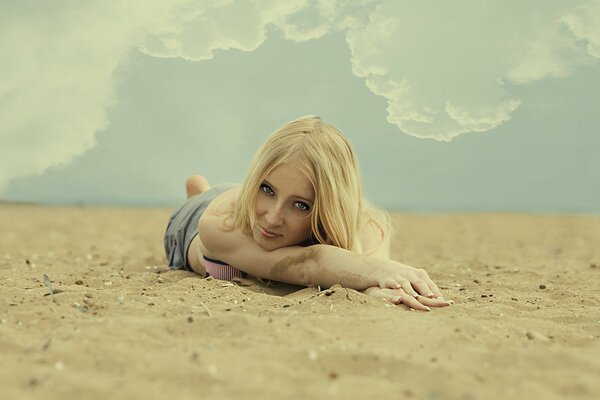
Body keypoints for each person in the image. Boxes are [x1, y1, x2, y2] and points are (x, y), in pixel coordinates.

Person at [164, 115, 452, 311]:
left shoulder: (368, 224)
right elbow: (312, 264)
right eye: (267, 188)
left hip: (241, 199)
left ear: (329, 206)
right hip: (199, 220)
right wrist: (380, 271)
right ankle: (198, 191)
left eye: (300, 204)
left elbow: (367, 272)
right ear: (255, 178)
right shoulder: (217, 226)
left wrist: (378, 289)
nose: (274, 217)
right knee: (202, 198)